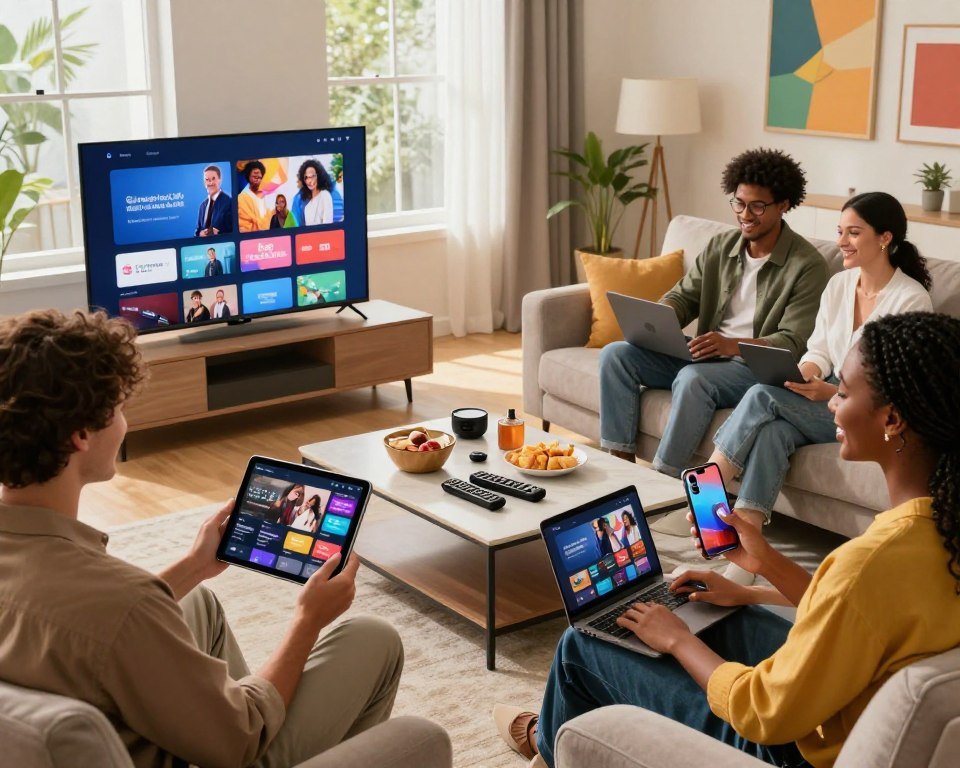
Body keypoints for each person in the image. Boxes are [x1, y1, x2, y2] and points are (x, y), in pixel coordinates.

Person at [496, 310, 960, 768]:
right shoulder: (938, 530)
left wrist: (678, 641)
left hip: (792, 751)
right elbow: (861, 612)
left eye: (841, 392)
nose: (831, 406)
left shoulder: (867, 562)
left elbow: (763, 714)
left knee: (580, 647)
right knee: (725, 616)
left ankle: (550, 745)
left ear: (893, 419)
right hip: (848, 707)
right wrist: (759, 572)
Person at [0, 309, 404, 768]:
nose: (124, 423)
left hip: (95, 727)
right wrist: (307, 619)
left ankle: (238, 704)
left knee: (199, 602)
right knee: (375, 638)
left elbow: (94, 631)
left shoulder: (110, 601)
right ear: (81, 436)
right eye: (118, 409)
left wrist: (194, 565)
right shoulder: (124, 602)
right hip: (222, 749)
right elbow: (239, 739)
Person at [705, 192, 933, 584]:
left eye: (854, 233)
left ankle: (707, 487)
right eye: (840, 231)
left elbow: (894, 387)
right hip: (829, 396)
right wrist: (806, 373)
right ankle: (742, 560)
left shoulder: (911, 299)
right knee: (774, 432)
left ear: (884, 238)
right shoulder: (839, 284)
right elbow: (820, 349)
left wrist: (833, 395)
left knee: (761, 396)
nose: (841, 241)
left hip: (868, 416)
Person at [599, 148, 829, 481]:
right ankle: (620, 467)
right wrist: (662, 315)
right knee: (616, 355)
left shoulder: (807, 266)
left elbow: (792, 342)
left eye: (757, 206)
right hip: (706, 352)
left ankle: (661, 483)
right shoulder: (721, 246)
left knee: (693, 380)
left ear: (783, 205)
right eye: (738, 202)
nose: (745, 214)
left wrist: (730, 345)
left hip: (751, 368)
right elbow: (684, 295)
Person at [292, 159, 334, 226]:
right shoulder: (307, 207)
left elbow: (328, 227)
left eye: (313, 176)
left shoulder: (325, 195)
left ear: (319, 176)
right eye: (306, 177)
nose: (309, 181)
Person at [195, 164, 233, 237]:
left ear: (220, 180)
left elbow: (234, 229)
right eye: (207, 180)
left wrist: (218, 233)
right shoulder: (202, 206)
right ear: (204, 182)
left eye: (213, 179)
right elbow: (197, 230)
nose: (211, 182)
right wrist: (200, 233)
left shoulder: (229, 202)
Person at [238, 160, 270, 233]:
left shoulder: (265, 197)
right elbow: (243, 227)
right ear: (248, 177)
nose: (257, 180)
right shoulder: (241, 198)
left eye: (259, 177)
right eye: (255, 177)